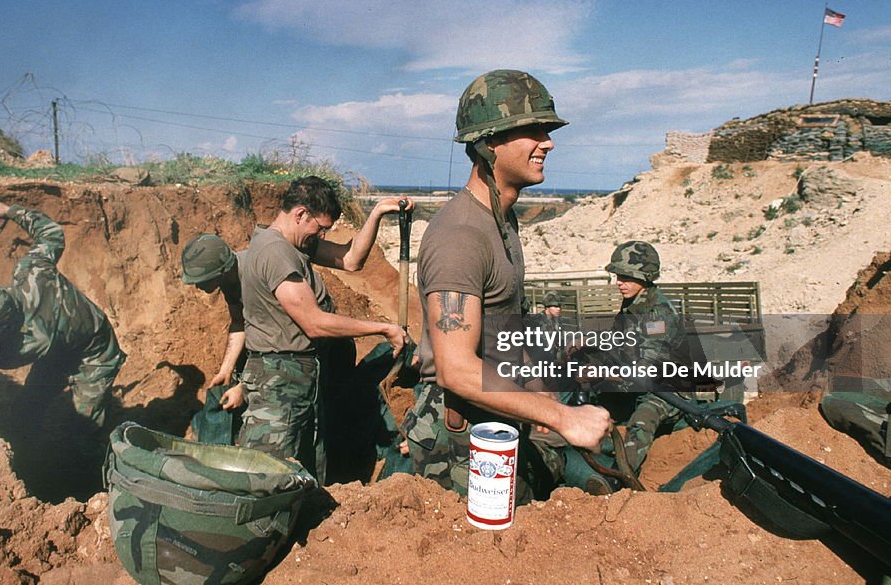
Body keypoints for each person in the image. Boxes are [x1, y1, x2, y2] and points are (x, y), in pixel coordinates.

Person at [404, 69, 613, 501]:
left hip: (494, 412)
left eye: (548, 130)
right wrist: (561, 417)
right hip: (458, 436)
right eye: (533, 131)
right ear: (488, 144)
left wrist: (535, 393)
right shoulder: (460, 236)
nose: (548, 142)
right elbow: (456, 368)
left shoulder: (501, 220)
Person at [237, 176, 410, 479]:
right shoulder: (276, 253)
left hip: (301, 378)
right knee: (271, 476)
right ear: (300, 214)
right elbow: (314, 323)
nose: (322, 235)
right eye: (320, 228)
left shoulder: (293, 244)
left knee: (306, 471)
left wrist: (378, 212)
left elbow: (352, 259)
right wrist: (382, 329)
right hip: (279, 384)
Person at [0, 200, 125, 431]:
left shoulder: (35, 340)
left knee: (84, 424)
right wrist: (10, 211)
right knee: (26, 408)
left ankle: (88, 462)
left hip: (95, 350)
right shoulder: (31, 270)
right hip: (61, 347)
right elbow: (51, 232)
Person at [602, 240, 692, 473]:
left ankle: (620, 477)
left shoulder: (658, 313)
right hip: (636, 382)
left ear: (646, 276)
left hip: (668, 389)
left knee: (641, 421)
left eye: (626, 277)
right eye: (617, 276)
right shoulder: (631, 305)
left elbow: (648, 367)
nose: (619, 283)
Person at [181, 233, 247, 411]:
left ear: (220, 271)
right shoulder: (229, 280)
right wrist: (226, 369)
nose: (197, 286)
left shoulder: (254, 280)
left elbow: (275, 344)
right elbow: (239, 323)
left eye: (201, 280)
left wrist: (246, 387)